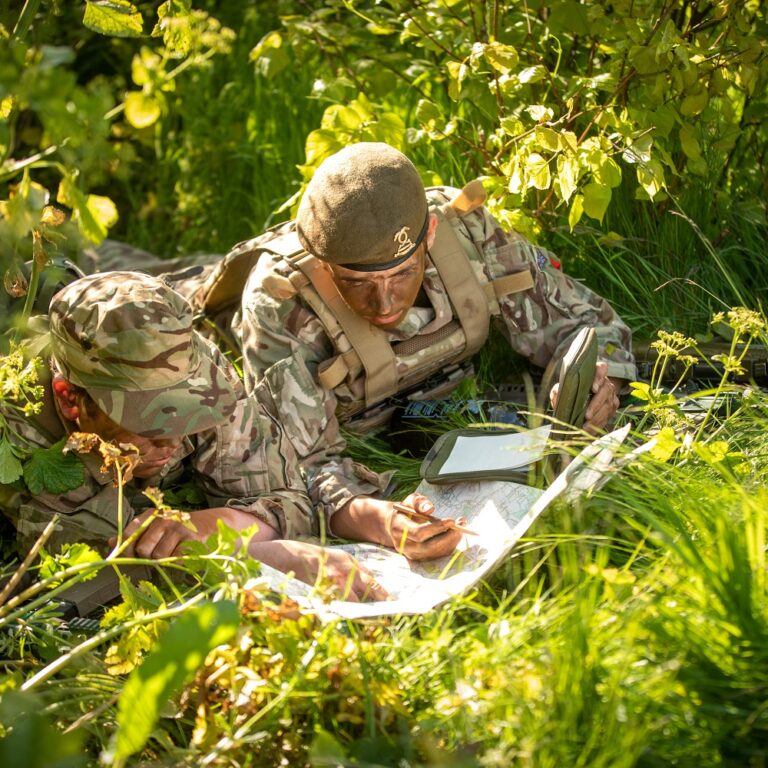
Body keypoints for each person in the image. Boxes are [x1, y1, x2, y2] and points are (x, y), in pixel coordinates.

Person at [212, 142, 636, 535]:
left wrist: (602, 380)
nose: (384, 304)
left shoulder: (464, 234)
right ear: (323, 264)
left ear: (429, 234)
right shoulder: (279, 301)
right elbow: (299, 464)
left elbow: (585, 320)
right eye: (356, 282)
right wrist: (383, 522)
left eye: (403, 273)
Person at [0, 271, 390, 601]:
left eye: (181, 414)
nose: (171, 444)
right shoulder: (23, 428)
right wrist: (269, 559)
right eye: (148, 423)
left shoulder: (189, 365)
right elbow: (100, 572)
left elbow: (288, 497)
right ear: (71, 401)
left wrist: (216, 523)